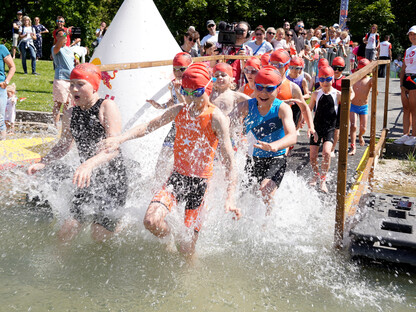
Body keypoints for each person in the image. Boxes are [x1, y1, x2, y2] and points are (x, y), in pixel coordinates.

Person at [100, 63, 241, 258]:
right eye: (186, 91)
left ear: (208, 89)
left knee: (187, 251)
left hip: (200, 185)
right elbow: (149, 125)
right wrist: (120, 138)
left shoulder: (216, 118)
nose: (190, 98)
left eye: (197, 92)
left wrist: (230, 197)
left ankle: (189, 278)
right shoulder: (179, 110)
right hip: (177, 178)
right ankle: (169, 240)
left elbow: (229, 162)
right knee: (151, 221)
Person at [27, 63, 128, 243]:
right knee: (66, 230)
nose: (74, 89)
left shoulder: (106, 107)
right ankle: (55, 268)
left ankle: (123, 229)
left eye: (80, 84)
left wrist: (88, 164)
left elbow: (113, 149)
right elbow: (64, 144)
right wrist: (44, 161)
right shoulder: (70, 113)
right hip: (87, 178)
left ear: (94, 86)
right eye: (72, 84)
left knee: (98, 234)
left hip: (113, 179)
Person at [229, 66, 297, 215]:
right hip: (252, 159)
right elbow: (226, 125)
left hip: (276, 158)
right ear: (254, 87)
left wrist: (274, 145)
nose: (263, 93)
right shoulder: (245, 106)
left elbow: (292, 136)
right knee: (242, 196)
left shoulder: (282, 108)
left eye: (269, 89)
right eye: (260, 87)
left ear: (278, 89)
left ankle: (268, 223)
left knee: (265, 190)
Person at [146, 52, 190, 185]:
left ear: (189, 68)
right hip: (176, 127)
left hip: (190, 128)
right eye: (175, 69)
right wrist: (160, 106)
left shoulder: (193, 84)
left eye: (181, 69)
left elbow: (186, 107)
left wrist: (178, 91)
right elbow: (173, 102)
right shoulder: (173, 84)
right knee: (162, 160)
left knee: (186, 162)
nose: (177, 72)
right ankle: (158, 188)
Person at [308, 66, 341, 193]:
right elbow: (308, 110)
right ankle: (316, 174)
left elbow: (351, 97)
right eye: (322, 79)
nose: (325, 82)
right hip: (316, 128)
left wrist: (350, 90)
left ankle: (323, 179)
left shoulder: (338, 95)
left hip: (330, 128)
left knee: (327, 153)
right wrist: (310, 127)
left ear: (332, 79)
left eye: (327, 79)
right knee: (312, 157)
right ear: (319, 80)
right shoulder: (316, 94)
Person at [269, 49, 315, 137]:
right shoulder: (262, 84)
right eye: (272, 64)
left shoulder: (292, 87)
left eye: (278, 65)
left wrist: (311, 127)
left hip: (284, 130)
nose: (274, 68)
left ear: (286, 66)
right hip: (266, 129)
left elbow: (304, 108)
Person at [395, 26, 416, 146]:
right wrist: (401, 84)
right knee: (406, 108)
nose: (413, 37)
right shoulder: (408, 50)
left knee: (414, 109)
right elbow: (403, 68)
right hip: (406, 79)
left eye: (415, 34)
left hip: (415, 78)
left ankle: (414, 136)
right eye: (411, 34)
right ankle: (405, 134)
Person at [330, 56, 355, 157]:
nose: (336, 71)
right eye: (335, 68)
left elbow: (352, 93)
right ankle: (326, 145)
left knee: (337, 129)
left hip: (340, 107)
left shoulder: (345, 80)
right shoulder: (328, 78)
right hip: (329, 106)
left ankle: (332, 148)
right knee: (326, 127)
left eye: (339, 69)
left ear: (343, 69)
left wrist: (348, 99)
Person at [52, 29, 75, 127]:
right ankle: (55, 125)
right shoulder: (55, 48)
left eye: (65, 36)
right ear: (57, 38)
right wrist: (65, 34)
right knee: (58, 104)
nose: (64, 38)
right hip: (61, 79)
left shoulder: (69, 49)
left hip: (71, 80)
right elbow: (58, 45)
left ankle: (66, 126)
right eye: (61, 36)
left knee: (68, 105)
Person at [349, 59, 372, 155]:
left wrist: (375, 88)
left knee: (363, 128)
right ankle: (353, 146)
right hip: (353, 106)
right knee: (353, 125)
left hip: (363, 106)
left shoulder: (369, 80)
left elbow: (375, 91)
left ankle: (360, 135)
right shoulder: (355, 79)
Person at [221, 21, 253, 88]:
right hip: (226, 85)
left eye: (243, 30)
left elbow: (249, 71)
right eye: (238, 29)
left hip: (241, 85)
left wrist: (244, 60)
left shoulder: (248, 50)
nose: (240, 32)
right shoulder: (225, 47)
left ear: (247, 33)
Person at [0, 44, 16, 140]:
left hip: (0, 87)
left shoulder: (1, 48)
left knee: (0, 119)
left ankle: (2, 148)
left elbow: (12, 67)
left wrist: (6, 82)